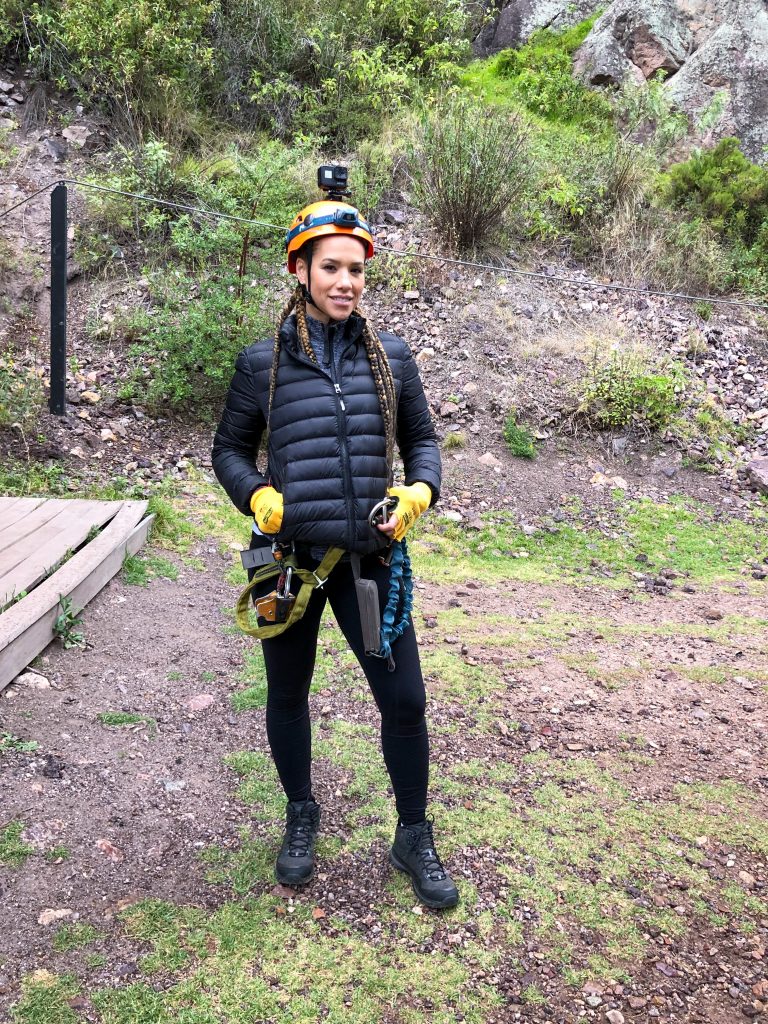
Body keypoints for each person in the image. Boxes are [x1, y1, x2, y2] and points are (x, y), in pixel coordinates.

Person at [211, 191, 458, 909]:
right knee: (288, 694)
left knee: (405, 701)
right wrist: (257, 496)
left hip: (367, 561)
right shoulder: (262, 365)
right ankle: (300, 814)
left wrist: (419, 494)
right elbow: (227, 450)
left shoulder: (392, 359)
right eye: (331, 267)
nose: (346, 281)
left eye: (356, 268)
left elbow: (423, 442)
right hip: (282, 559)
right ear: (300, 268)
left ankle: (413, 833)